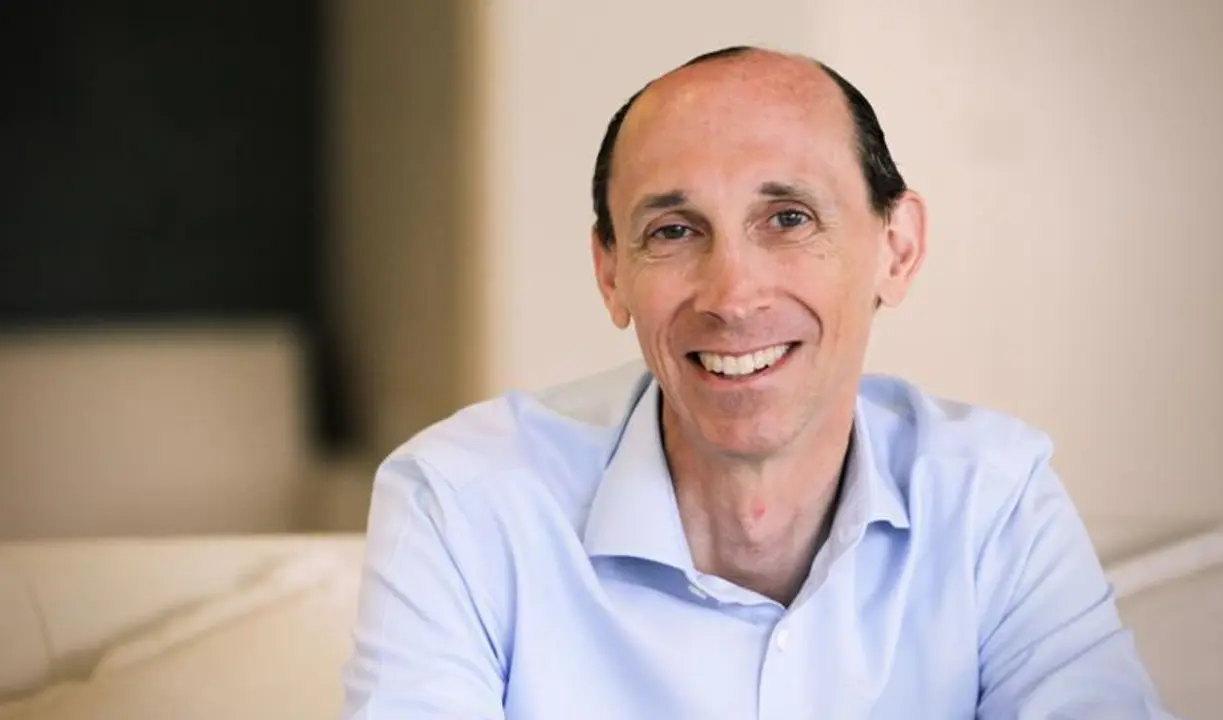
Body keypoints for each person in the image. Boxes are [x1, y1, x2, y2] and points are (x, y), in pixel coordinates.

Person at [341, 46, 1175, 719]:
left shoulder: (993, 497)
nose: (733, 296)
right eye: (674, 231)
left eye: (789, 219)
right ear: (610, 273)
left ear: (898, 248)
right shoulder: (463, 501)